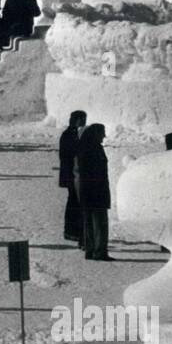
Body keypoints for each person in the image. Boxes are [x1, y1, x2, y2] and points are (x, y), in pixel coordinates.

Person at [74, 122, 111, 260]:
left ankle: (90, 250)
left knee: (89, 222)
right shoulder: (94, 149)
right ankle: (100, 252)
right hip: (96, 190)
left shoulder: (82, 148)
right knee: (99, 222)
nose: (104, 136)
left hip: (86, 191)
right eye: (102, 133)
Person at [58, 109, 86, 244]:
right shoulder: (70, 135)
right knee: (74, 203)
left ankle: (72, 230)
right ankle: (72, 230)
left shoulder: (71, 134)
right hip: (72, 174)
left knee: (74, 202)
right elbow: (68, 156)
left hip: (72, 174)